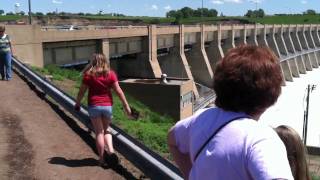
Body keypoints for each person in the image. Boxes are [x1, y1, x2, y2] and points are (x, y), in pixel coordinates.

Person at [167, 45, 294, 180]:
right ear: (269, 98)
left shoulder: (201, 118)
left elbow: (172, 139)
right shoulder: (261, 138)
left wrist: (190, 175)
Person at [75, 53, 131, 166]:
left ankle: (101, 159)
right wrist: (126, 106)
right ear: (105, 61)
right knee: (107, 130)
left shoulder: (88, 75)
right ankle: (111, 151)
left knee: (99, 133)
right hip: (107, 106)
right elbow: (118, 91)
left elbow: (82, 92)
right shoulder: (111, 74)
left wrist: (77, 103)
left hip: (94, 106)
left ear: (93, 62)